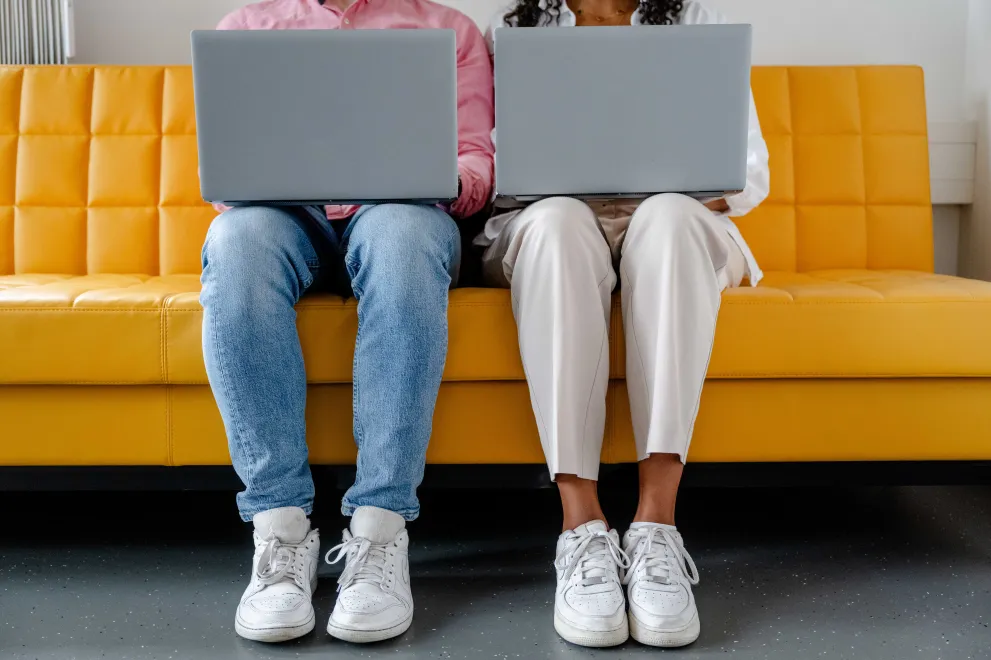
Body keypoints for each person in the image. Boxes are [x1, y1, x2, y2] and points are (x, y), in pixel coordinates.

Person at [201, 0, 493, 644]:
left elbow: (477, 159)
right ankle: (280, 531)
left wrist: (436, 177)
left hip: (401, 208)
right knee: (234, 242)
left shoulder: (451, 30)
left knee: (402, 238)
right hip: (285, 214)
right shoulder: (244, 31)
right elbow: (225, 178)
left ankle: (380, 534)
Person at [479, 0, 769, 648]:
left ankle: (656, 529)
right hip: (549, 215)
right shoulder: (512, 30)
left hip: (674, 214)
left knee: (665, 221)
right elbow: (489, 170)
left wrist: (653, 189)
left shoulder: (700, 23)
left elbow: (748, 176)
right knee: (557, 225)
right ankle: (580, 532)